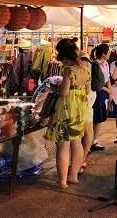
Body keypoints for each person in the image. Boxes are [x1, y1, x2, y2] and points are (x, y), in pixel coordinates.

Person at [44, 38, 89, 188]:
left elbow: (63, 92)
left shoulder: (68, 70)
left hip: (67, 107)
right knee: (77, 142)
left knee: (63, 145)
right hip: (81, 107)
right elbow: (88, 90)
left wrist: (56, 88)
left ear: (63, 57)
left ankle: (62, 181)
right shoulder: (84, 69)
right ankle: (73, 176)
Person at [90, 44, 111, 152]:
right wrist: (107, 90)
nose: (110, 54)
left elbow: (107, 79)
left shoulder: (106, 64)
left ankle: (93, 141)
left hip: (103, 94)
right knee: (96, 119)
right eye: (108, 52)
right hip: (97, 93)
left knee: (100, 119)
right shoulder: (95, 65)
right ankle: (90, 142)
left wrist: (110, 90)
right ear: (103, 54)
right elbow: (95, 84)